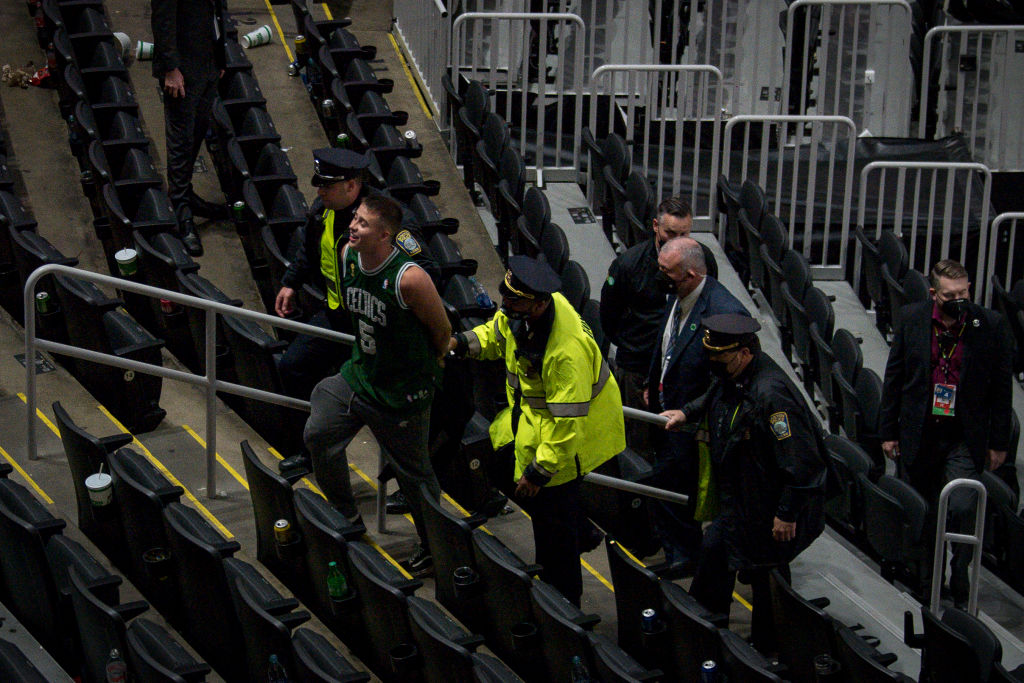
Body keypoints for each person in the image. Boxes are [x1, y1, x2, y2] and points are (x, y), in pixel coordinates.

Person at [450, 256, 625, 606]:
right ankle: (580, 527)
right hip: (532, 420)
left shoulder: (565, 352)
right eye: (507, 297)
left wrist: (537, 473)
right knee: (501, 468)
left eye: (514, 301)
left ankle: (564, 606)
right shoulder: (523, 310)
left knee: (552, 532)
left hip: (570, 438)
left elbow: (566, 427)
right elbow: (497, 334)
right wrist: (461, 343)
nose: (506, 305)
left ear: (540, 304)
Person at [302, 194, 451, 576]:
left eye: (363, 223)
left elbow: (442, 330)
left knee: (415, 476)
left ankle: (437, 549)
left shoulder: (410, 277)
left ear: (385, 235)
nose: (353, 225)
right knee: (319, 430)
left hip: (402, 392)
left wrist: (428, 364)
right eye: (355, 218)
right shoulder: (348, 255)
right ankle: (346, 517)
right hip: (360, 374)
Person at [666, 314, 826, 650]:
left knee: (770, 580)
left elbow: (803, 461)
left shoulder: (773, 396)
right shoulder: (734, 373)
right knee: (713, 554)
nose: (713, 363)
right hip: (741, 497)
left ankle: (771, 652)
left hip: (772, 506)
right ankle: (702, 633)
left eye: (720, 357)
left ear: (744, 353)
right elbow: (715, 394)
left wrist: (787, 512)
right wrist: (688, 412)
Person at [879, 259, 1014, 606]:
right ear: (934, 294)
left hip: (963, 435)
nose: (960, 299)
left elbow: (1002, 389)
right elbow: (895, 378)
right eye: (951, 294)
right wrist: (888, 430)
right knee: (924, 512)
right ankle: (929, 584)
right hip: (920, 430)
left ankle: (960, 569)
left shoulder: (990, 325)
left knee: (963, 505)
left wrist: (999, 443)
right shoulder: (912, 318)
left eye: (964, 292)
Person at [645, 237, 748, 575]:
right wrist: (652, 382)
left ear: (690, 274)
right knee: (671, 487)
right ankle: (682, 551)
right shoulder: (677, 294)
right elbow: (666, 342)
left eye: (667, 272)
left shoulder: (724, 312)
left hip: (695, 423)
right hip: (668, 409)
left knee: (675, 488)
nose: (660, 277)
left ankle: (686, 556)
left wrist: (691, 412)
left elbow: (726, 381)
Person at [600, 196, 693, 458]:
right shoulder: (629, 265)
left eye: (683, 234)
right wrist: (635, 347)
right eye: (670, 233)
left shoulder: (700, 261)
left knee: (676, 438)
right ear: (655, 226)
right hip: (637, 366)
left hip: (678, 367)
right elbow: (609, 316)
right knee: (638, 440)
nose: (676, 240)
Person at [151, 0, 229, 257]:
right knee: (181, 142)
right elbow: (163, 19)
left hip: (208, 62)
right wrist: (170, 68)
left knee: (197, 134)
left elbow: (216, 11)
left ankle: (185, 195)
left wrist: (220, 58)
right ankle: (182, 214)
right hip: (183, 69)